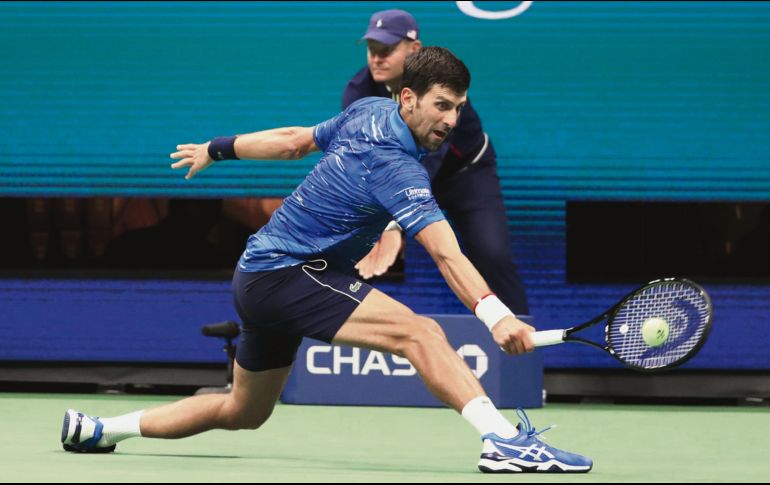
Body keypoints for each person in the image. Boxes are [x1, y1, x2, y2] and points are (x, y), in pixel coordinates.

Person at [60, 47, 591, 474]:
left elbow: (294, 142)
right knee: (420, 333)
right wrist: (497, 316)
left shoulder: (369, 112)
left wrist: (219, 147)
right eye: (442, 105)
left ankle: (101, 429)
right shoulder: (397, 165)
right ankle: (502, 442)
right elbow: (445, 251)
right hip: (288, 272)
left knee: (242, 411)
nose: (451, 120)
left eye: (458, 107)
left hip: (258, 274)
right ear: (409, 98)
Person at [346, 9, 530, 316]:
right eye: (372, 50)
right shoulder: (359, 93)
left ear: (414, 49)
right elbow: (363, 157)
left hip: (466, 177)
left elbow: (431, 157)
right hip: (398, 181)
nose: (377, 58)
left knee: (492, 255)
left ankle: (521, 346)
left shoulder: (444, 88)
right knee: (347, 245)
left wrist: (394, 223)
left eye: (387, 50)